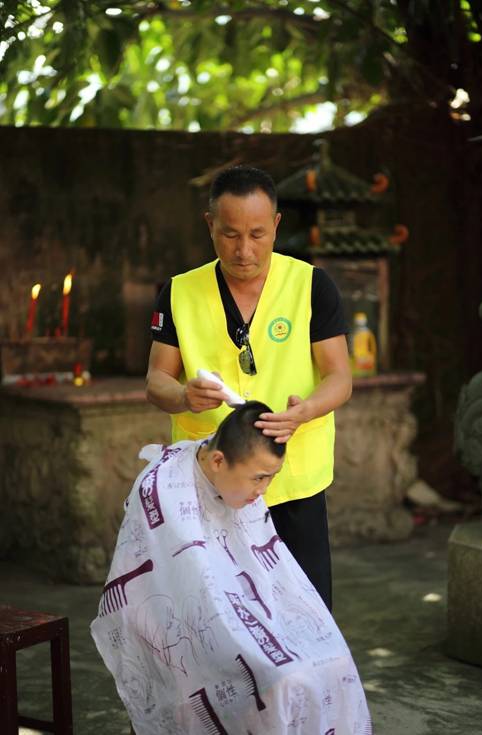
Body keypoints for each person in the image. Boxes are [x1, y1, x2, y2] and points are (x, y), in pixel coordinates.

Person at [91, 403, 372, 735]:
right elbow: (184, 587)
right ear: (218, 461)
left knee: (335, 659)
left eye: (271, 477)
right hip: (188, 625)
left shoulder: (238, 485)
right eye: (259, 478)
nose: (263, 491)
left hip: (241, 610)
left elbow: (266, 570)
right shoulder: (162, 489)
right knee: (284, 679)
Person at [146, 165, 351, 610]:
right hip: (211, 482)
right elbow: (156, 380)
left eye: (258, 234)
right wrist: (182, 396)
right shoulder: (178, 292)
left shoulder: (312, 286)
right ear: (210, 225)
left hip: (292, 480)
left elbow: (339, 377)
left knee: (306, 610)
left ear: (276, 224)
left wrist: (306, 410)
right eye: (230, 234)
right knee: (220, 615)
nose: (244, 250)